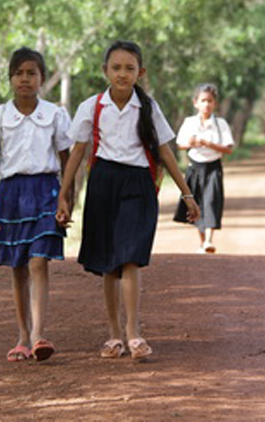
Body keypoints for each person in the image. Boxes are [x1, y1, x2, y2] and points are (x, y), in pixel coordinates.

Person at [56, 40, 200, 360]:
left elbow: (165, 151)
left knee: (131, 257)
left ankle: (134, 333)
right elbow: (77, 153)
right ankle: (114, 335)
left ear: (140, 72)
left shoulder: (148, 108)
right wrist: (63, 197)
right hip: (103, 182)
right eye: (116, 68)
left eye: (129, 68)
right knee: (109, 263)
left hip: (138, 184)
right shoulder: (91, 107)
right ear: (105, 71)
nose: (122, 74)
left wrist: (187, 194)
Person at [0, 47, 72, 363]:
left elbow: (66, 159)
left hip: (46, 190)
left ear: (42, 79)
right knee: (18, 267)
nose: (25, 79)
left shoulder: (56, 116)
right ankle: (21, 335)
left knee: (38, 260)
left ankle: (38, 335)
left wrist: (68, 198)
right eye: (19, 73)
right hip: (10, 194)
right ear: (10, 78)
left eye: (32, 73)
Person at [173, 83, 234, 253]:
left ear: (215, 104)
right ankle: (202, 242)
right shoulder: (189, 122)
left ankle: (209, 240)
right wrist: (191, 144)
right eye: (203, 101)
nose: (206, 104)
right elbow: (180, 145)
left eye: (210, 101)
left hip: (213, 167)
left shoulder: (220, 124)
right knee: (197, 202)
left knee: (212, 201)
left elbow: (228, 148)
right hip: (195, 167)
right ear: (195, 103)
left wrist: (210, 144)